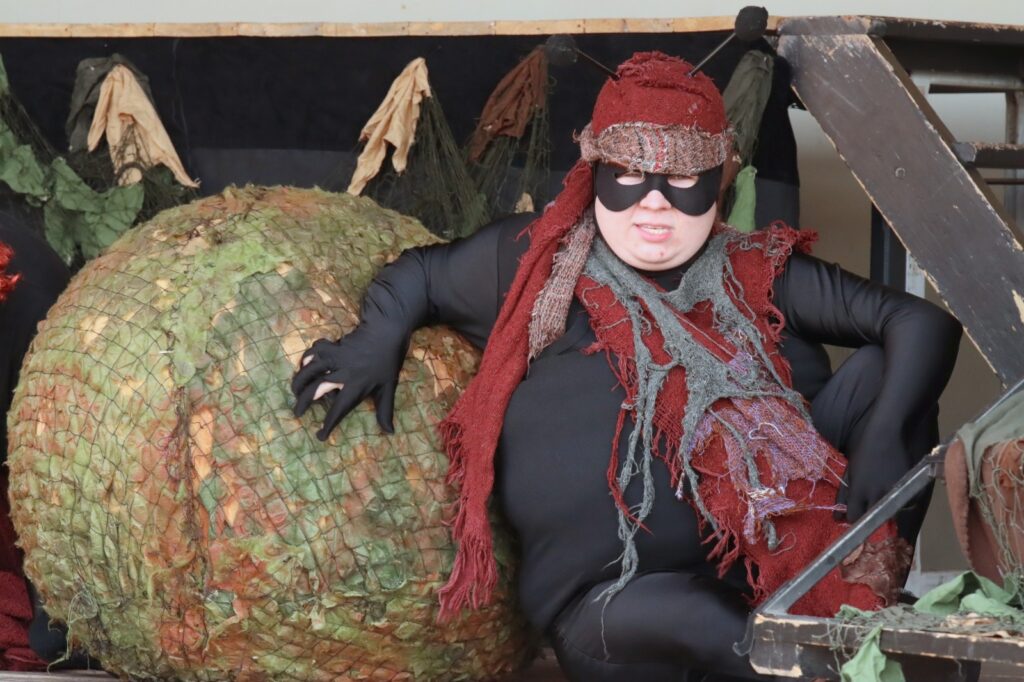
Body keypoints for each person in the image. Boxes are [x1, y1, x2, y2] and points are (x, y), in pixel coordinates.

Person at [291, 52, 962, 681]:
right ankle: (836, 660)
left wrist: (884, 439)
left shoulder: (755, 269)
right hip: (611, 606)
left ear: (718, 182)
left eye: (682, 179)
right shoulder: (529, 264)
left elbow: (922, 322)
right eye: (631, 175)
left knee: (890, 374)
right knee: (707, 619)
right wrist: (374, 339)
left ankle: (856, 596)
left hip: (767, 565)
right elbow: (419, 274)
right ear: (596, 173)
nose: (654, 203)